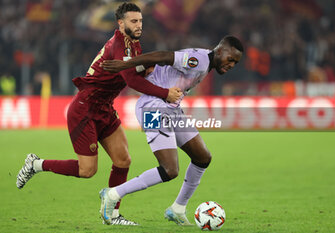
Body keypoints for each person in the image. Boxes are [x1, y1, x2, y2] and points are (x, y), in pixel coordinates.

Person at [16, 2, 182, 226]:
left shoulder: (134, 45)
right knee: (87, 171)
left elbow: (136, 73)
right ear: (121, 23)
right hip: (84, 107)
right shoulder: (119, 45)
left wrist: (149, 68)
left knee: (123, 160)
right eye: (134, 21)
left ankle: (112, 214)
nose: (139, 25)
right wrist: (164, 93)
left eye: (140, 20)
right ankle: (37, 164)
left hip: (104, 107)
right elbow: (131, 80)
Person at [98, 35, 244, 225]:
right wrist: (125, 65)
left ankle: (178, 209)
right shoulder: (198, 61)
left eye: (235, 62)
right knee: (169, 169)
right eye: (230, 59)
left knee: (202, 157)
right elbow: (163, 56)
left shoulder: (204, 63)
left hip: (171, 109)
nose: (232, 64)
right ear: (219, 51)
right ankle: (113, 194)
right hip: (152, 108)